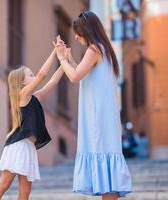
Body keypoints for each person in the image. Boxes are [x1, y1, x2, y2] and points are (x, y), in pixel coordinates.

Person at [54, 11, 132, 199]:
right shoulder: (103, 49)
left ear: (87, 31)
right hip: (105, 118)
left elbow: (74, 77)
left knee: (105, 174)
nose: (75, 36)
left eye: (78, 32)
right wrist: (69, 58)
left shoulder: (94, 50)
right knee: (108, 176)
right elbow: (83, 74)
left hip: (98, 119)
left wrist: (61, 58)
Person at [0, 37, 67, 200]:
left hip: (28, 147)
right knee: (4, 184)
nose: (34, 77)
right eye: (30, 75)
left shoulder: (34, 97)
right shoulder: (22, 95)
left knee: (25, 191)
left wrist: (64, 61)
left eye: (32, 75)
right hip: (18, 145)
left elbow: (52, 81)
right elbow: (42, 75)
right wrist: (54, 52)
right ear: (22, 83)